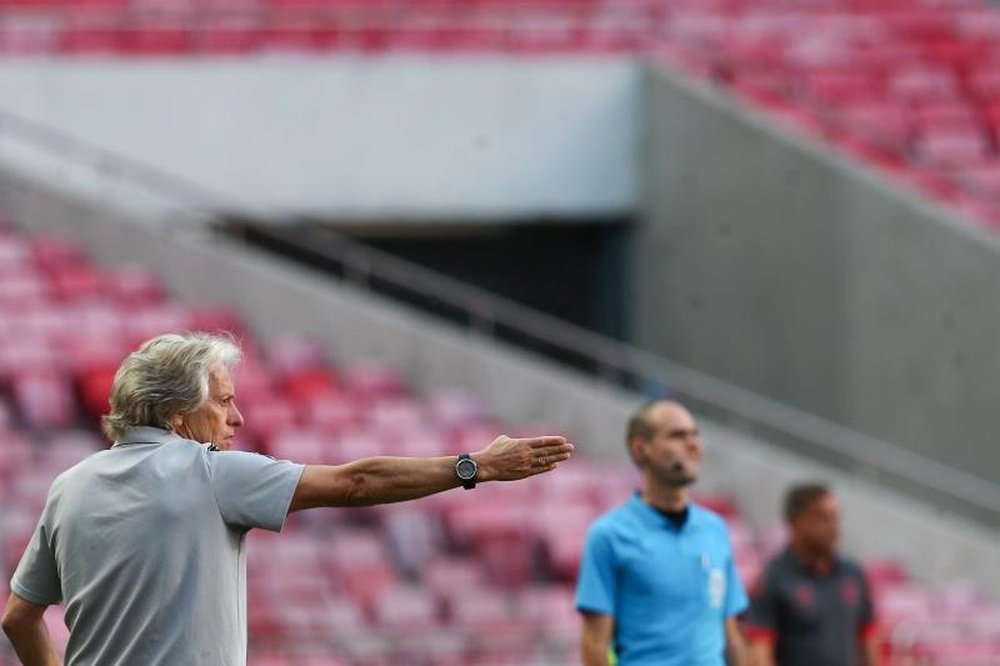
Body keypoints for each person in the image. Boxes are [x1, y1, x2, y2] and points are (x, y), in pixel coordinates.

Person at [1, 332, 574, 665]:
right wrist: (476, 466)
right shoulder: (206, 472)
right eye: (223, 402)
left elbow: (19, 618)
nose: (238, 417)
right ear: (176, 414)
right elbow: (356, 482)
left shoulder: (68, 486)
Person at [575, 400, 749, 666]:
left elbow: (731, 635)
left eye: (695, 435)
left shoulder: (715, 529)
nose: (692, 445)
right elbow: (595, 645)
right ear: (640, 448)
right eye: (677, 436)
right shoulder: (609, 536)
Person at [745, 483, 880, 666]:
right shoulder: (773, 579)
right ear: (794, 522)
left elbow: (868, 639)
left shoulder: (853, 574)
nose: (833, 528)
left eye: (835, 518)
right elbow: (759, 651)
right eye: (822, 518)